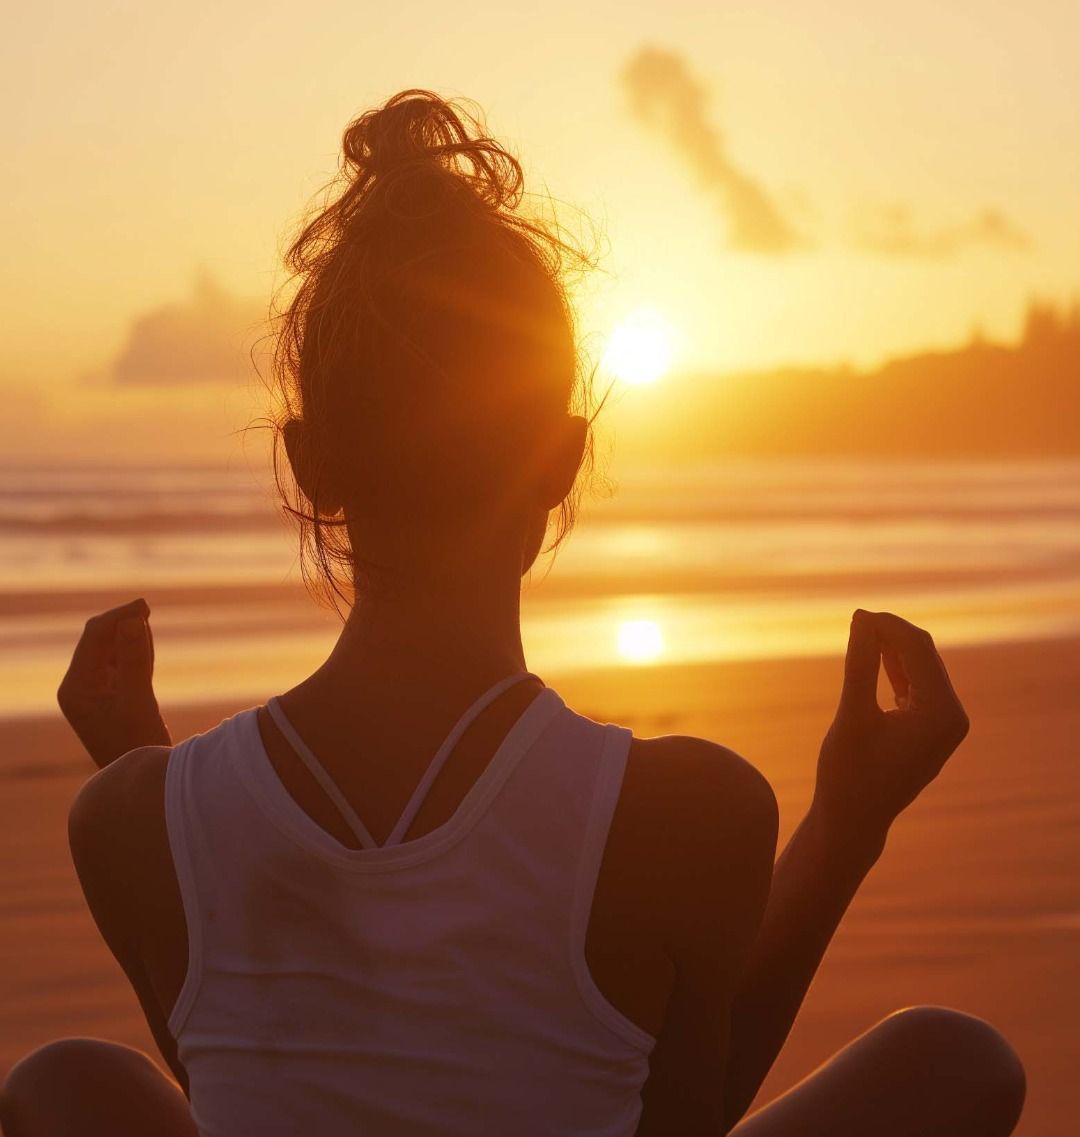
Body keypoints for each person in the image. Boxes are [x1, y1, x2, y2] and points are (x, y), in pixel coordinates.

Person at [0, 91, 1025, 1137]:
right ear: (562, 457)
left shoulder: (124, 822)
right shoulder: (690, 813)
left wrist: (157, 776)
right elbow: (681, 1120)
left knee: (60, 1083)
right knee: (953, 1058)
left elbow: (252, 1080)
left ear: (310, 470)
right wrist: (845, 826)